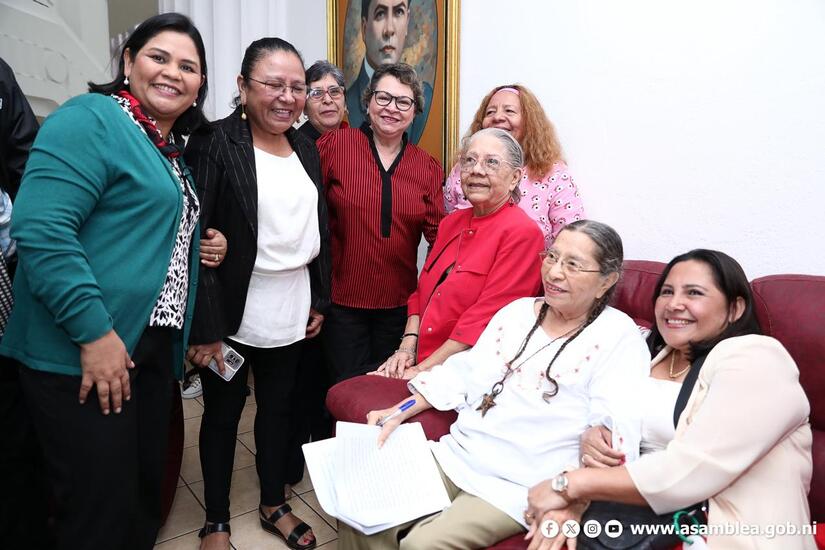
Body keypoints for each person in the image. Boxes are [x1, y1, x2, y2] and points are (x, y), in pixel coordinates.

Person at [0, 13, 208, 550]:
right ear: (128, 61)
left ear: (200, 85)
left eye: (188, 66)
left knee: (138, 497)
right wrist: (94, 334)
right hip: (85, 349)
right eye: (159, 57)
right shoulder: (91, 118)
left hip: (146, 348)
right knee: (95, 514)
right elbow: (42, 228)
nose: (173, 72)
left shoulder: (164, 148)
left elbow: (138, 228)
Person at [337, 220, 650, 550]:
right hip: (458, 455)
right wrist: (398, 411)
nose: (555, 273)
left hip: (520, 484)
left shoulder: (619, 338)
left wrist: (573, 501)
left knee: (421, 545)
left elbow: (615, 436)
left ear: (606, 281)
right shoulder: (516, 313)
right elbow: (463, 372)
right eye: (552, 257)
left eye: (573, 265)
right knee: (362, 507)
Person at [525, 250, 815, 550]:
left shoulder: (757, 357)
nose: (674, 304)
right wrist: (589, 448)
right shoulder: (643, 355)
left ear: (735, 308)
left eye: (694, 293)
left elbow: (692, 470)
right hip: (633, 525)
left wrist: (569, 486)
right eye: (666, 292)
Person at [184, 36, 330, 550]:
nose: (287, 97)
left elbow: (319, 228)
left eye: (297, 87)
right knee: (222, 417)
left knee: (278, 411)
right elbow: (193, 236)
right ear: (243, 86)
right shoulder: (214, 142)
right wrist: (204, 328)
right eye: (274, 84)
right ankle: (216, 520)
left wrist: (319, 299)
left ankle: (273, 504)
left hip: (290, 307)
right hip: (230, 311)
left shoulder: (306, 147)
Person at [375, 127, 544, 380]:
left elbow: (486, 318)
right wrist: (406, 349)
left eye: (491, 162)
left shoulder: (523, 233)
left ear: (515, 177)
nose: (477, 170)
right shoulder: (450, 223)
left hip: (469, 372)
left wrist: (421, 371)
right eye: (469, 160)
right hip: (423, 360)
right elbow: (422, 292)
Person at [318, 62, 443, 382]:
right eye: (383, 97)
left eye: (403, 102)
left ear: (414, 111)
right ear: (368, 101)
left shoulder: (427, 167)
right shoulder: (334, 146)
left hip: (399, 309)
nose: (392, 108)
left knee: (387, 392)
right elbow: (306, 217)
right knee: (345, 392)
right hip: (341, 304)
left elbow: (440, 240)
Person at [444, 84, 584, 247]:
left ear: (530, 122)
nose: (497, 117)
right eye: (490, 112)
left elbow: (572, 240)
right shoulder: (464, 168)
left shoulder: (553, 173)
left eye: (509, 111)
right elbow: (448, 226)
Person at [345, 0, 433, 143]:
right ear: (364, 27)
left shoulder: (427, 96)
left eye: (398, 12)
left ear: (407, 22)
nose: (389, 30)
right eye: (380, 14)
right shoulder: (347, 101)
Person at [299, 60, 349, 142]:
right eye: (317, 93)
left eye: (334, 91)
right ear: (305, 108)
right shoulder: (295, 145)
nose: (328, 100)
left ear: (345, 104)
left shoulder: (358, 141)